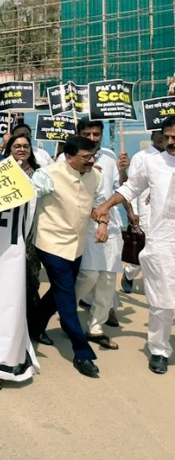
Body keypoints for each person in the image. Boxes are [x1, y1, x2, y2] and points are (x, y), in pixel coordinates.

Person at [93, 116, 175, 374]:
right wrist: (106, 205)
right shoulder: (153, 163)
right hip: (163, 242)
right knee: (162, 300)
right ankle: (159, 350)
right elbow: (130, 188)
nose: (170, 142)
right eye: (167, 137)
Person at [28, 136, 107, 379]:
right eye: (86, 157)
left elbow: (99, 203)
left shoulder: (96, 175)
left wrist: (102, 222)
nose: (91, 161)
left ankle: (34, 325)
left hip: (77, 245)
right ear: (69, 157)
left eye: (93, 155)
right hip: (50, 242)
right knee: (66, 295)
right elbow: (27, 195)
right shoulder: (48, 174)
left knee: (60, 290)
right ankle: (81, 351)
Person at [67, 119, 130, 347]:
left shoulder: (110, 156)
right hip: (84, 223)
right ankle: (68, 314)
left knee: (108, 278)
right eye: (87, 134)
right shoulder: (70, 157)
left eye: (96, 134)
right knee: (89, 274)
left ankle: (96, 326)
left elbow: (119, 188)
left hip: (110, 222)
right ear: (78, 133)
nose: (92, 138)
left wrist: (122, 171)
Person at [2, 134, 44, 341]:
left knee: (31, 282)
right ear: (9, 150)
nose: (21, 149)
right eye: (16, 146)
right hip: (6, 236)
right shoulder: (0, 172)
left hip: (30, 237)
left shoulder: (40, 173)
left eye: (26, 146)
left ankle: (35, 328)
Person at [121, 130, 166, 292]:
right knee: (147, 249)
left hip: (167, 211)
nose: (162, 138)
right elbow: (132, 187)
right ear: (152, 136)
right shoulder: (141, 157)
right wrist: (132, 212)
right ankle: (129, 273)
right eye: (158, 134)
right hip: (146, 211)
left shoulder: (171, 157)